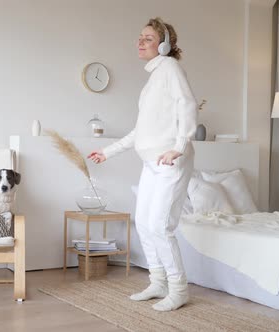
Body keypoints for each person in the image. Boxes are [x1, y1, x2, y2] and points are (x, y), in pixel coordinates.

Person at [87, 17, 197, 312]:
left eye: (148, 38)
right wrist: (107, 152)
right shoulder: (154, 79)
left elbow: (187, 104)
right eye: (140, 37)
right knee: (145, 226)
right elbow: (141, 131)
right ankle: (158, 282)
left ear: (164, 45)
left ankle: (178, 289)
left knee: (161, 226)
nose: (140, 42)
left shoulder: (171, 69)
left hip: (170, 162)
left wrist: (179, 147)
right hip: (151, 163)